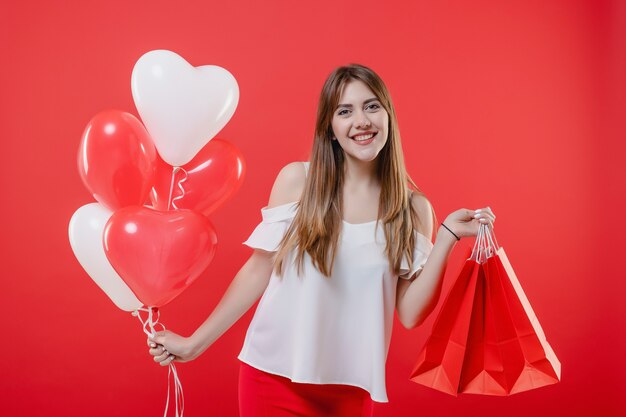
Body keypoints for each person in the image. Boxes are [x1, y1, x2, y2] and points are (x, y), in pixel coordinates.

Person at [147, 64, 496, 417]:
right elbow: (258, 270)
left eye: (372, 106)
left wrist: (447, 239)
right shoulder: (298, 181)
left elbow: (409, 313)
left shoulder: (413, 208)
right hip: (271, 378)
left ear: (388, 116)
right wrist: (195, 344)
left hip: (350, 392)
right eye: (345, 111)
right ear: (330, 128)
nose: (361, 121)